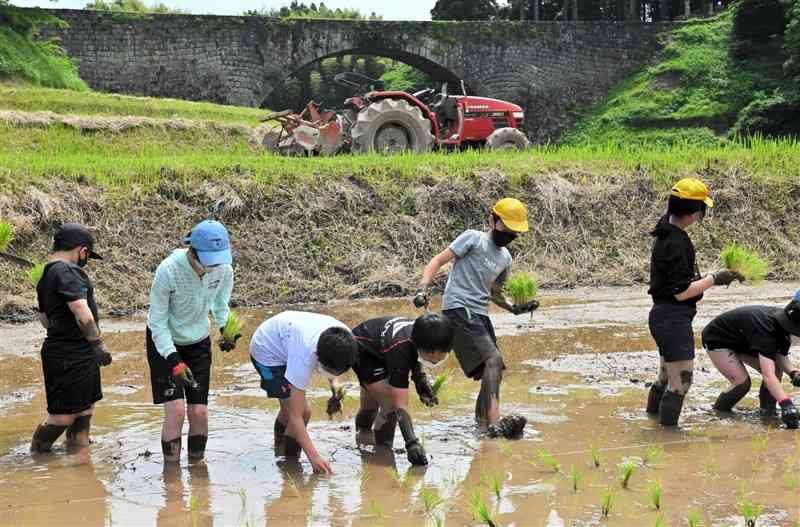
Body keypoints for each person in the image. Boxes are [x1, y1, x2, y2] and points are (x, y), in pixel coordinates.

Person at [413, 198, 538, 437]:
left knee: (492, 370)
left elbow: (494, 293)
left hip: (480, 315)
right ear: (492, 220)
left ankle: (482, 425)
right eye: (506, 229)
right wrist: (422, 288)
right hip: (459, 309)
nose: (508, 236)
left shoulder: (506, 258)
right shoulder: (473, 238)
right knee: (494, 360)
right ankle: (494, 424)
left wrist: (515, 308)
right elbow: (438, 260)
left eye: (513, 233)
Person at [645, 178, 744, 426]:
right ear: (694, 213)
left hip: (662, 316)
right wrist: (714, 278)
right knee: (681, 384)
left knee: (665, 377)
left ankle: (651, 424)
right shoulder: (677, 242)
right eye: (701, 209)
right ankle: (668, 437)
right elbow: (681, 292)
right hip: (673, 319)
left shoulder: (665, 227)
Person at [146, 220, 239, 463]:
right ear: (193, 251)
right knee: (176, 411)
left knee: (199, 412)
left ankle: (198, 473)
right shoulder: (168, 270)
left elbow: (220, 305)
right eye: (209, 260)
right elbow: (157, 321)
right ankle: (172, 475)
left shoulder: (223, 269)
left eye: (218, 260)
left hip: (198, 341)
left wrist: (227, 329)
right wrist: (173, 358)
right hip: (165, 344)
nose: (213, 267)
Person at [30, 223, 111, 453]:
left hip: (77, 352)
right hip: (68, 354)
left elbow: (45, 318)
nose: (86, 259)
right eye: (87, 255)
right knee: (62, 417)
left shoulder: (48, 273)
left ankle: (79, 461)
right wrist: (98, 345)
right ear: (82, 250)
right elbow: (80, 309)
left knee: (84, 412)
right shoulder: (66, 272)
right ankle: (36, 453)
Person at [249, 310, 359, 475]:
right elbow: (297, 416)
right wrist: (314, 457)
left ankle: (280, 449)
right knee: (303, 412)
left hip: (287, 338)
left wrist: (334, 384)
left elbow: (335, 359)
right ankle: (290, 466)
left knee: (289, 412)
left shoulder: (346, 339)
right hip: (266, 351)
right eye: (328, 370)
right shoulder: (304, 354)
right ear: (316, 356)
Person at [350, 314, 454, 466]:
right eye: (432, 359)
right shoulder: (400, 348)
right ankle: (383, 452)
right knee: (389, 404)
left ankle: (362, 439)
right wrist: (411, 443)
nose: (436, 361)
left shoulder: (422, 334)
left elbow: (413, 357)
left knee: (370, 406)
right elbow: (400, 405)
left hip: (381, 347)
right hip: (363, 349)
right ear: (421, 347)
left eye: (439, 359)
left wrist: (421, 383)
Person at [702, 294, 800, 429]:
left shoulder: (785, 324)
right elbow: (768, 375)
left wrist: (793, 372)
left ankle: (768, 414)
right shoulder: (767, 331)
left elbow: (780, 356)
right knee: (742, 383)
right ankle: (719, 412)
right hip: (719, 338)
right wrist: (786, 403)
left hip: (745, 339)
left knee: (777, 370)